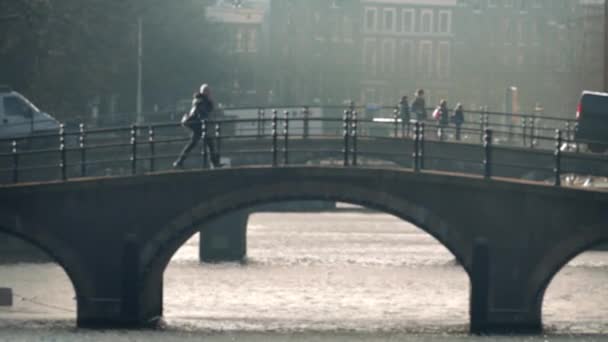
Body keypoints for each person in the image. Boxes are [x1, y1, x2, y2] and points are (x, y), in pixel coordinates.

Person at [173, 84, 222, 168]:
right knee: (207, 143)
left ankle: (179, 162)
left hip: (197, 124)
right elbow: (201, 113)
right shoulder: (201, 101)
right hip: (196, 124)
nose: (209, 93)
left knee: (196, 144)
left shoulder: (202, 100)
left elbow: (205, 111)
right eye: (207, 91)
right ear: (204, 92)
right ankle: (214, 163)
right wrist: (204, 119)